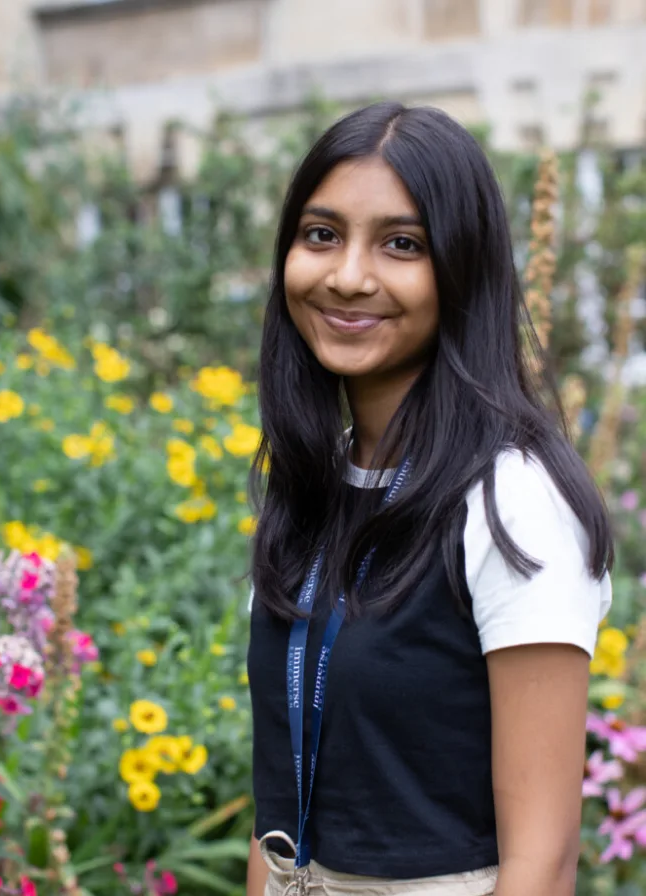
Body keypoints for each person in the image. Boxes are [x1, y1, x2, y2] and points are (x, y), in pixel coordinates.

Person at [244, 101, 614, 896]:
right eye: (321, 235)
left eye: (401, 244)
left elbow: (542, 864)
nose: (347, 275)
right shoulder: (316, 483)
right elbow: (274, 806)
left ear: (462, 267)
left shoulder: (513, 500)